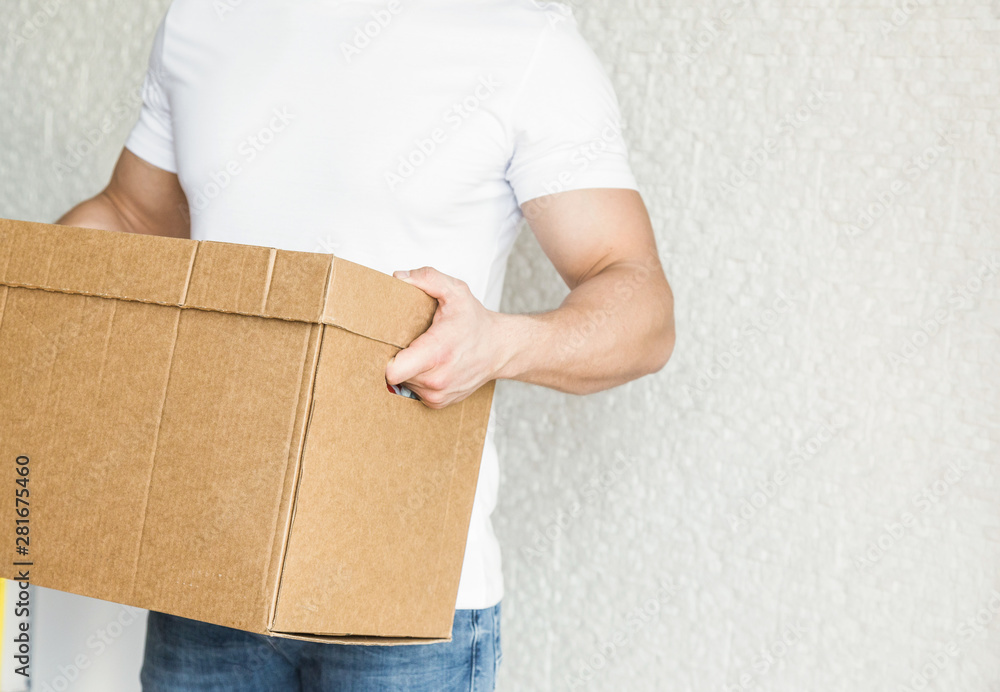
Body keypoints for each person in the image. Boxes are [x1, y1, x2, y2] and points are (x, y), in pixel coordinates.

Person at [57, 1, 675, 689]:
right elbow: (131, 214)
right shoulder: (205, 18)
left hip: (408, 605)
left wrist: (498, 344)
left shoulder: (525, 42)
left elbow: (641, 307)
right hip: (208, 566)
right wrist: (28, 294)